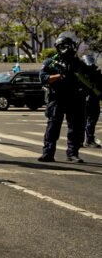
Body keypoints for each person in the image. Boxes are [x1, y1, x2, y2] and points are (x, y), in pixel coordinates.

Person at [38, 34, 101, 163]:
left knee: (76, 128)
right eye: (63, 46)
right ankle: (48, 153)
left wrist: (93, 72)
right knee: (53, 127)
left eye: (68, 46)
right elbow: (43, 78)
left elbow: (90, 80)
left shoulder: (78, 63)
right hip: (57, 98)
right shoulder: (51, 62)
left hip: (76, 98)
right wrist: (60, 75)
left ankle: (73, 154)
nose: (66, 49)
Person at [83, 55, 101, 148]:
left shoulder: (96, 74)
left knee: (90, 121)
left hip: (93, 100)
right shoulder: (83, 74)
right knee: (89, 121)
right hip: (88, 100)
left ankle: (88, 139)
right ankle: (88, 140)